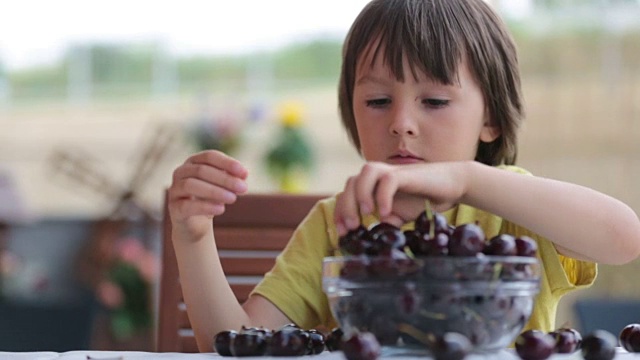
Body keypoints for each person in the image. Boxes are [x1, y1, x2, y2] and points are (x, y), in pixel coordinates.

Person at [167, 0, 640, 352]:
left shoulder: (513, 209)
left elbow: (623, 237)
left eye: (433, 102)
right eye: (377, 102)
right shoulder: (337, 225)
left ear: (491, 119)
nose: (401, 122)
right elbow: (238, 345)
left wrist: (468, 180)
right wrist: (193, 238)